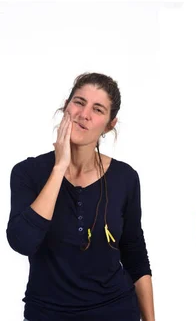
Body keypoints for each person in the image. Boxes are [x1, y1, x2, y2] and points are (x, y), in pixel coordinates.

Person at [7, 73, 155, 321]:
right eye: (79, 102)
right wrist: (59, 166)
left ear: (109, 124)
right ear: (66, 106)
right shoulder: (27, 172)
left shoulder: (125, 177)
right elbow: (22, 242)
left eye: (97, 109)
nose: (84, 114)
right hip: (46, 314)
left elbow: (135, 254)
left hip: (116, 311)